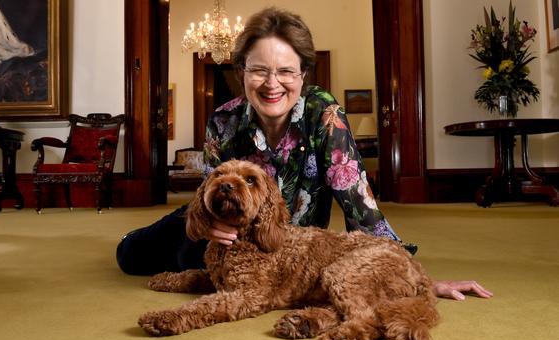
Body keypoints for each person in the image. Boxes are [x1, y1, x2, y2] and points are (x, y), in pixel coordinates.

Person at [116, 7, 492, 301]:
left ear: (303, 74)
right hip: (223, 232)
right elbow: (209, 191)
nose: (272, 83)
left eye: (285, 71)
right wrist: (207, 226)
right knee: (132, 256)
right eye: (259, 70)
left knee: (201, 270)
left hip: (283, 245)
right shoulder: (223, 119)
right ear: (241, 71)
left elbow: (361, 206)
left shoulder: (325, 115)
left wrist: (414, 275)